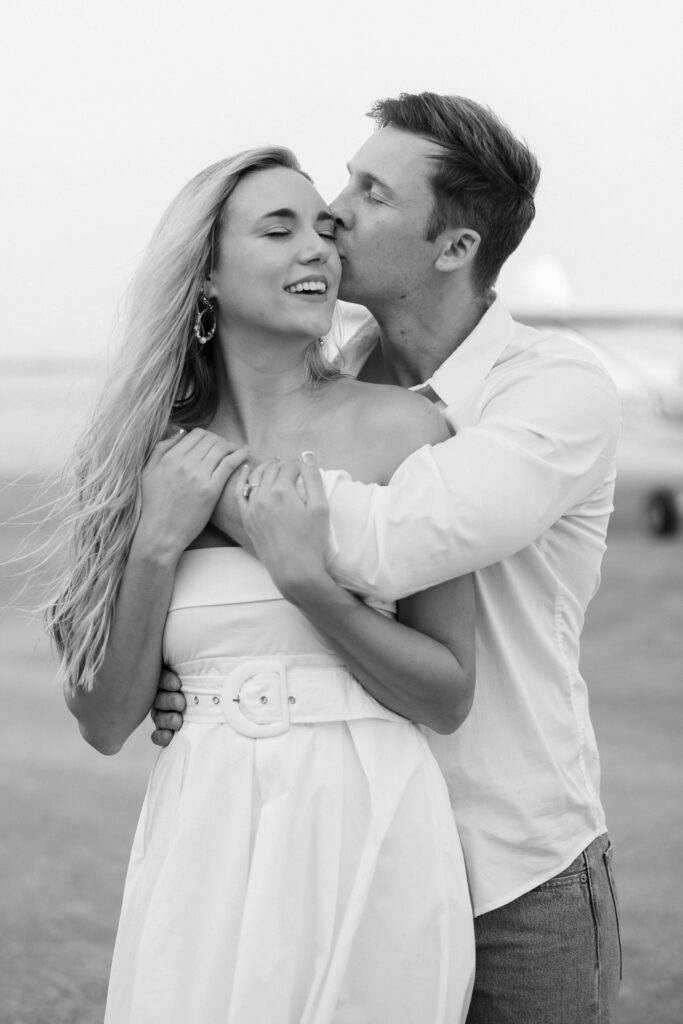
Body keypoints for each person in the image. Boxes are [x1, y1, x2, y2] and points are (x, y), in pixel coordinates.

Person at [154, 93, 623, 1023]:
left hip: (511, 869)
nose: (334, 210)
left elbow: (398, 541)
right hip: (337, 853)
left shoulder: (551, 390)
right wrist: (211, 680)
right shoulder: (327, 384)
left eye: (372, 193)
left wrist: (187, 475)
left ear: (453, 250)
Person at [48, 147, 477, 1023]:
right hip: (204, 836)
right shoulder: (142, 454)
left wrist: (308, 584)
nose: (316, 249)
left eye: (323, 229)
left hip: (369, 823)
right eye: (278, 229)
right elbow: (103, 721)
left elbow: (446, 694)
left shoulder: (408, 428)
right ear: (203, 274)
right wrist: (156, 545)